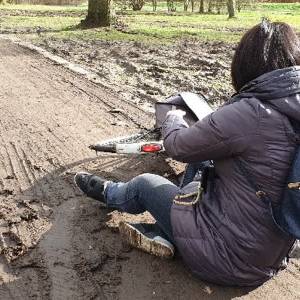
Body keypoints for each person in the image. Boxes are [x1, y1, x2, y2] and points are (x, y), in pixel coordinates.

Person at [74, 20, 300, 286]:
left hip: (225, 260)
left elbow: (178, 146)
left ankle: (111, 193)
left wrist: (173, 117)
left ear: (247, 63)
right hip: (269, 261)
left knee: (146, 184)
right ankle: (165, 231)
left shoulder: (249, 112)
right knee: (203, 161)